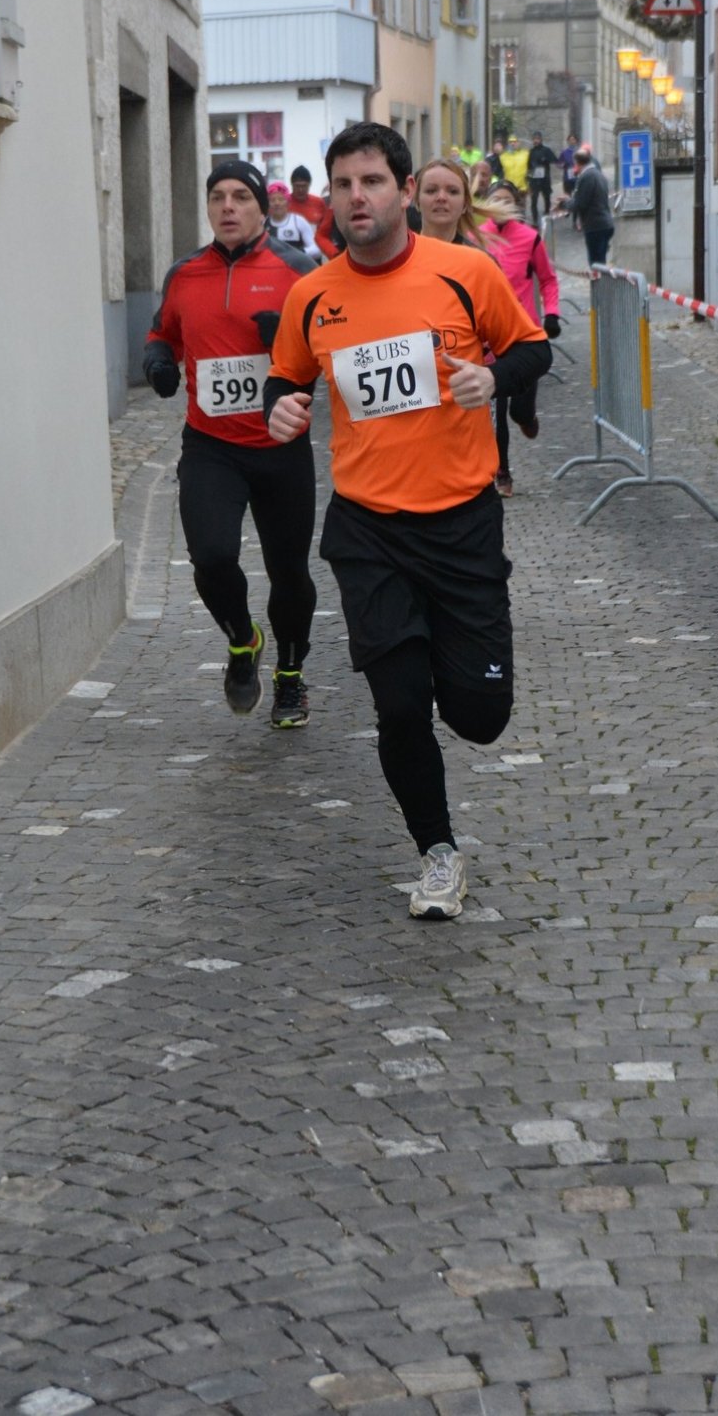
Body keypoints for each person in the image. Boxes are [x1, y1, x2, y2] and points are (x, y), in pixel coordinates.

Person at [265, 122, 551, 920]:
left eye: (371, 182)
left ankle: (459, 683)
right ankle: (437, 853)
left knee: (479, 715)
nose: (356, 197)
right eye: (343, 184)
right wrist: (281, 406)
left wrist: (490, 378)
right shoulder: (310, 295)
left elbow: (531, 350)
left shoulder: (465, 272)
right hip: (368, 529)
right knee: (398, 705)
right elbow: (285, 378)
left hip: (461, 524)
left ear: (403, 190)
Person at [144, 160, 319, 727]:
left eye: (240, 196)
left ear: (261, 207)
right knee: (212, 557)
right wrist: (157, 362)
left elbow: (330, 348)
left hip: (280, 444)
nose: (227, 207)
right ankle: (243, 639)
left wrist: (287, 343)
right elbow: (163, 333)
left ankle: (290, 676)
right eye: (217, 196)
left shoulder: (298, 271)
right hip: (211, 445)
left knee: (289, 573)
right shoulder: (184, 274)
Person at [473, 185, 562, 497]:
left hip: (523, 336)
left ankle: (527, 418)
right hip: (488, 338)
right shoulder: (474, 237)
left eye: (506, 201)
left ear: (516, 207)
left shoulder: (529, 238)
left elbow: (548, 280)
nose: (500, 205)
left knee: (518, 412)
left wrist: (552, 314)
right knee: (496, 411)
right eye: (495, 200)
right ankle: (502, 473)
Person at [415, 155, 487, 247]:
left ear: (465, 204)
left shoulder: (477, 256)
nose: (441, 197)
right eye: (431, 191)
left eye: (453, 191)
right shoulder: (400, 252)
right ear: (417, 200)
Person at [569, 148, 615, 264]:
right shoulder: (598, 174)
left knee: (596, 264)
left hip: (595, 225)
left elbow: (581, 203)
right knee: (601, 262)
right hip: (604, 223)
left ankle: (602, 277)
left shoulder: (587, 177)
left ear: (578, 163)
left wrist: (564, 204)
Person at [288, 164, 340, 259]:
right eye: (297, 186)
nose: (300, 190)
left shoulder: (318, 202)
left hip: (315, 254)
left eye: (304, 186)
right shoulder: (284, 204)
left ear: (309, 185)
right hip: (292, 254)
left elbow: (326, 230)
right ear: (292, 185)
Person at [267, 180, 322, 261]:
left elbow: (316, 250)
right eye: (272, 200)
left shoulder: (298, 222)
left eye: (281, 199)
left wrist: (296, 254)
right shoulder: (262, 224)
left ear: (288, 202)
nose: (277, 203)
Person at [526, 130, 557, 228]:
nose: (536, 141)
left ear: (541, 140)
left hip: (545, 179)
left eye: (537, 139)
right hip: (534, 180)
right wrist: (528, 179)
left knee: (547, 198)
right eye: (534, 139)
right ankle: (535, 221)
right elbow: (528, 166)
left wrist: (546, 159)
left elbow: (554, 160)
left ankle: (547, 215)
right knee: (533, 201)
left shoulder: (546, 150)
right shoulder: (531, 152)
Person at [559, 132, 581, 196]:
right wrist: (562, 165)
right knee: (567, 196)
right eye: (570, 140)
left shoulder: (579, 151)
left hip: (577, 178)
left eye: (573, 139)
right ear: (568, 141)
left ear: (576, 141)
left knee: (578, 195)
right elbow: (559, 163)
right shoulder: (564, 152)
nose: (572, 141)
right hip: (567, 178)